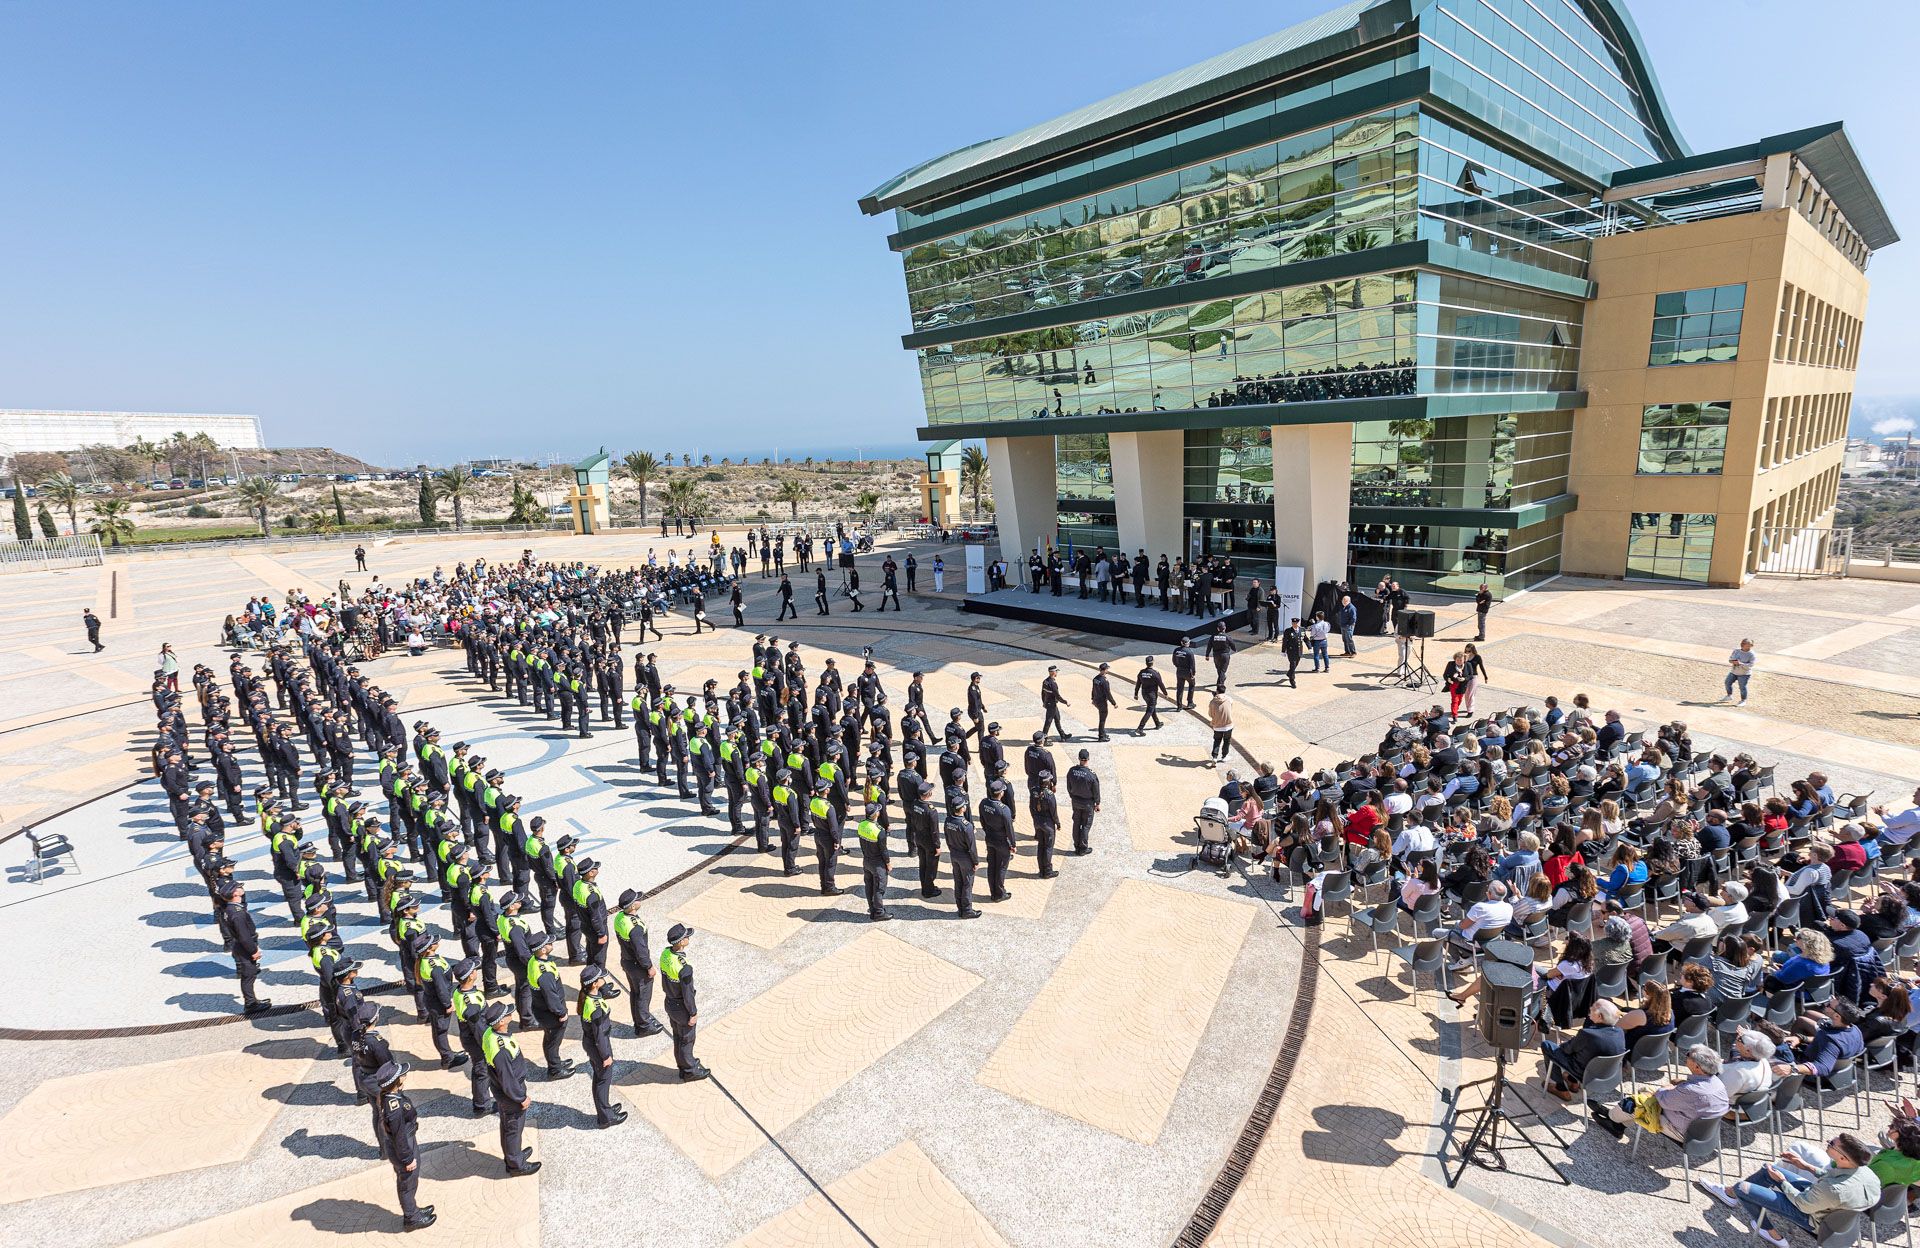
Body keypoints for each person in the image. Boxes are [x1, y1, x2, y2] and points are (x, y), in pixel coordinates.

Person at [1701, 1132, 1881, 1245]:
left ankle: (1770, 1232)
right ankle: (1729, 1194)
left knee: (1744, 1188)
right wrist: (1804, 1166)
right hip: (1825, 1205)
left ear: (1844, 1159)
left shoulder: (1834, 1189)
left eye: (1831, 1145)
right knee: (1767, 1170)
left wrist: (1782, 1182)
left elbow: (1802, 1204)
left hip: (1810, 1216)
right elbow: (1832, 1178)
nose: (1828, 1144)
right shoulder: (1867, 1174)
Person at [479, 1002, 541, 1176]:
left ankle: (514, 1155)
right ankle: (515, 1164)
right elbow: (507, 1079)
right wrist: (520, 1098)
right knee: (513, 1128)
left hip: (503, 1092)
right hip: (510, 1096)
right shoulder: (501, 1051)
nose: (510, 1014)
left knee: (508, 1126)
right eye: (507, 1014)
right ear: (500, 1022)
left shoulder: (490, 1034)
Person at [375, 1061, 436, 1230]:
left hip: (406, 1141)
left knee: (410, 1181)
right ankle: (411, 1218)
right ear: (397, 1081)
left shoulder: (392, 1096)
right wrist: (407, 1159)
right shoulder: (393, 1107)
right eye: (402, 1074)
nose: (405, 1075)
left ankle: (413, 1210)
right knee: (407, 1183)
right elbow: (398, 1136)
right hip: (403, 1146)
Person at [1540, 999, 1626, 1101]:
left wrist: (1569, 1044)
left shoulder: (1588, 1034)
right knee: (1582, 1051)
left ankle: (1560, 1088)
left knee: (1548, 1046)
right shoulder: (1619, 1032)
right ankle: (1572, 1081)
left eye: (1594, 1008)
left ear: (1600, 1016)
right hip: (1608, 1074)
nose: (1590, 1008)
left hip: (1585, 1074)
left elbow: (1567, 1050)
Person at [577, 965, 627, 1128]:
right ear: (595, 984)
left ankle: (605, 1108)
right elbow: (599, 1035)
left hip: (592, 1044)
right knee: (602, 1081)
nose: (604, 979)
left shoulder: (589, 997)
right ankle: (605, 1117)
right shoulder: (596, 1008)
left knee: (600, 1079)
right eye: (601, 978)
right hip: (598, 1047)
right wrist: (605, 1056)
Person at [661, 923, 708, 1081]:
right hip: (682, 1008)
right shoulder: (684, 968)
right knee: (687, 1039)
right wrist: (693, 1013)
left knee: (678, 1037)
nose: (688, 938)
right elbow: (688, 995)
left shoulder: (666, 955)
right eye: (686, 937)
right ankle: (690, 1070)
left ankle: (683, 1065)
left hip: (670, 1002)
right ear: (680, 943)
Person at [1724, 639, 1757, 705]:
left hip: (1744, 674)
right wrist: (1733, 661)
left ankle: (1743, 700)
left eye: (1749, 645)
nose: (1747, 646)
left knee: (1742, 687)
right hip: (1734, 671)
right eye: (1745, 644)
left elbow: (1751, 665)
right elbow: (1730, 659)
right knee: (1727, 683)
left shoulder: (1752, 654)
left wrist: (1741, 663)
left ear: (1751, 645)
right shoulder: (1736, 651)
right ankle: (1729, 696)